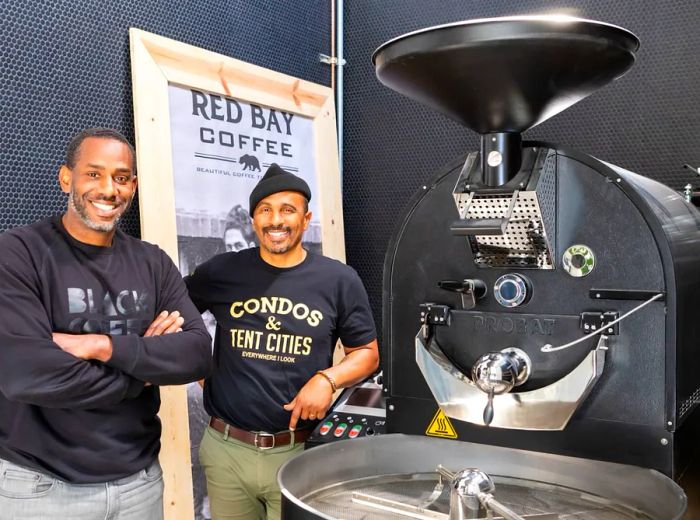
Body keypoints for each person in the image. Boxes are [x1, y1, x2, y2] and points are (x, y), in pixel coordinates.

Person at [0, 128, 213, 519]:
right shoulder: (18, 253)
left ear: (132, 185)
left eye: (120, 177)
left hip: (139, 484)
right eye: (94, 174)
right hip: (42, 487)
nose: (108, 189)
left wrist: (105, 347)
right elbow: (24, 374)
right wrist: (144, 370)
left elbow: (197, 353)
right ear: (67, 178)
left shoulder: (152, 262)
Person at [185, 163, 380, 520]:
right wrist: (199, 365)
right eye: (265, 210)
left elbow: (367, 354)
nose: (276, 220)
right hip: (227, 449)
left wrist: (327, 379)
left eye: (288, 210)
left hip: (299, 451)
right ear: (254, 220)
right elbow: (175, 315)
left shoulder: (338, 280)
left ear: (305, 220)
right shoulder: (222, 271)